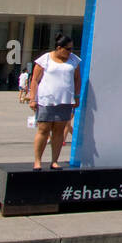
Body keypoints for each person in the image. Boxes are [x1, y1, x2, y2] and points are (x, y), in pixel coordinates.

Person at [27, 33, 81, 170]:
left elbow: (77, 79)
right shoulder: (45, 59)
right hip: (47, 100)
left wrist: (76, 96)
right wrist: (33, 98)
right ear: (59, 48)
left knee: (59, 131)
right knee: (43, 130)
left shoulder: (74, 60)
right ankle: (37, 161)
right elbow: (35, 80)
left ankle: (54, 161)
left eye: (71, 49)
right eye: (68, 49)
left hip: (65, 100)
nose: (70, 52)